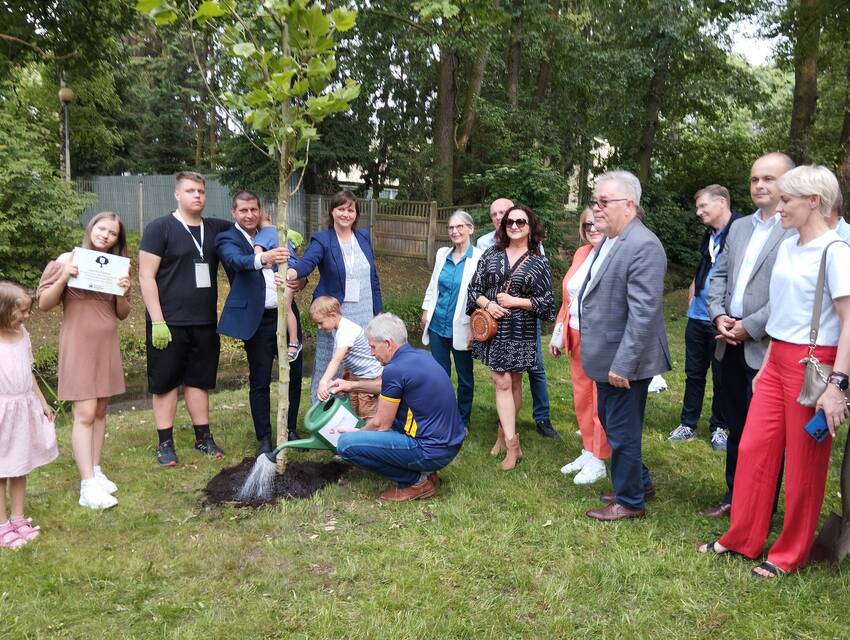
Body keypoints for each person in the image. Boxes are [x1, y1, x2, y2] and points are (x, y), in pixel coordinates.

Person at [699, 164, 850, 578]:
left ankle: (789, 553)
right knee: (753, 450)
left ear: (813, 201)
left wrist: (837, 386)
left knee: (804, 466)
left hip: (814, 365)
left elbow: (848, 322)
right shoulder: (788, 247)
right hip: (776, 357)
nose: (778, 206)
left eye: (786, 199)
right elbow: (781, 313)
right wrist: (766, 365)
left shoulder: (836, 252)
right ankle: (742, 538)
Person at [705, 152, 794, 517]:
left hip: (766, 345)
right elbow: (719, 275)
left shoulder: (794, 230)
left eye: (768, 178)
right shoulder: (740, 226)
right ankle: (734, 496)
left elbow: (792, 295)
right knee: (735, 423)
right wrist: (718, 316)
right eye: (755, 178)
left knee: (765, 434)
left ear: (788, 183)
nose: (759, 185)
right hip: (728, 339)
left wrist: (751, 326)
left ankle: (760, 505)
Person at [579, 170, 671, 521]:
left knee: (622, 430)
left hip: (624, 362)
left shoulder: (643, 245)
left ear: (629, 205)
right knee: (615, 422)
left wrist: (624, 364)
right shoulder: (612, 240)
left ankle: (630, 501)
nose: (596, 208)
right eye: (595, 201)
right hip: (608, 357)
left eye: (604, 201)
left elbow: (644, 313)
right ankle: (638, 482)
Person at [138, 171, 236, 467]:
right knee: (166, 384)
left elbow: (249, 227)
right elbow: (146, 276)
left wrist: (275, 233)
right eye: (191, 191)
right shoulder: (160, 228)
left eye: (201, 191)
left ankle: (203, 437)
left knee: (198, 381)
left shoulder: (217, 229)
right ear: (177, 194)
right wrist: (157, 320)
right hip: (168, 322)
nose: (197, 196)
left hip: (204, 321)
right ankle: (165, 443)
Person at [37, 212, 131, 509]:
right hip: (79, 342)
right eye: (102, 229)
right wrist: (64, 276)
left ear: (117, 239)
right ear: (91, 228)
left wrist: (123, 292)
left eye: (112, 233)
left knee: (101, 410)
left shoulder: (117, 266)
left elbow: (123, 313)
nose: (105, 235)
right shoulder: (67, 259)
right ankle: (87, 486)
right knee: (85, 413)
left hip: (106, 343)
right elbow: (44, 304)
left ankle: (96, 469)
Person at [330, 313, 466, 501]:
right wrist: (351, 386)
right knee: (395, 417)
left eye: (373, 347)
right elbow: (387, 386)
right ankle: (428, 473)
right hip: (449, 445)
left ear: (388, 343)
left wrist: (358, 433)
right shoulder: (421, 356)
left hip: (429, 450)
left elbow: (381, 424)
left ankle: (416, 481)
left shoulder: (394, 369)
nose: (371, 353)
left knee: (346, 445)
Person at [467, 204, 555, 471]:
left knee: (514, 382)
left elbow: (547, 304)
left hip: (521, 331)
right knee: (502, 381)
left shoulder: (538, 262)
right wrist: (489, 304)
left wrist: (516, 301)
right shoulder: (491, 254)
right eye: (510, 222)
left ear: (530, 227)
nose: (514, 226)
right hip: (495, 329)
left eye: (520, 222)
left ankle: (502, 434)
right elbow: (474, 289)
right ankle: (512, 443)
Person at [215, 191, 300, 454]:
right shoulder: (228, 238)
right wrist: (264, 258)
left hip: (286, 313)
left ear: (260, 210)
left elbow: (295, 262)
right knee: (260, 380)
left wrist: (298, 278)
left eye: (254, 209)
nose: (250, 215)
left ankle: (291, 429)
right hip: (257, 319)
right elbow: (236, 262)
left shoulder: (275, 232)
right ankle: (264, 438)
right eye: (243, 210)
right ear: (233, 212)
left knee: (294, 374)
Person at [287, 191, 383, 402]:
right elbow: (307, 262)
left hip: (365, 314)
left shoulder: (364, 237)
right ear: (332, 211)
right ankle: (321, 410)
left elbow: (373, 277)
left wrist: (379, 312)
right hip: (336, 315)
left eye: (350, 210)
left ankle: (357, 411)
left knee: (362, 366)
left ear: (356, 214)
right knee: (330, 365)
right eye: (341, 209)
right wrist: (291, 272)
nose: (346, 214)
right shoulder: (323, 240)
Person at [668, 186, 739, 450]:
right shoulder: (709, 234)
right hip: (697, 316)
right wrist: (693, 290)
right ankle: (688, 423)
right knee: (694, 373)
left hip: (723, 319)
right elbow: (706, 265)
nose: (698, 212)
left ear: (721, 202)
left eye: (702, 206)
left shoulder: (740, 231)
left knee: (723, 376)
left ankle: (719, 426)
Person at [549, 207, 611, 485]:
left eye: (597, 223)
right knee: (582, 397)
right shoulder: (582, 253)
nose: (592, 228)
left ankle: (600, 457)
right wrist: (558, 332)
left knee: (599, 400)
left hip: (600, 338)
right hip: (576, 334)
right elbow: (568, 298)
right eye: (587, 225)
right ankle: (588, 448)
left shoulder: (613, 254)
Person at [0, 282, 57, 548]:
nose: (26, 315)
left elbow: (28, 371)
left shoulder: (22, 334)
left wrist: (42, 402)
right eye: (21, 311)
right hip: (2, 411)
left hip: (22, 409)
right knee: (1, 469)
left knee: (20, 465)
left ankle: (18, 517)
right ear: (3, 310)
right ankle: (2, 525)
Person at [421, 210, 483, 427]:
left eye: (459, 227)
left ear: (470, 229)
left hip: (463, 327)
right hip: (438, 325)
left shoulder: (479, 258)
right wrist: (426, 309)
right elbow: (433, 285)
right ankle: (441, 416)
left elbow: (481, 296)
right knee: (439, 375)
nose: (455, 231)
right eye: (451, 227)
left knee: (465, 378)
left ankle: (462, 420)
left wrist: (475, 327)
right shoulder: (442, 254)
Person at [310, 296, 383, 420]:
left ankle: (372, 431)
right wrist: (346, 374)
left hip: (370, 376)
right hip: (356, 374)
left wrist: (323, 382)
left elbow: (336, 360)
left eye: (320, 323)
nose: (319, 327)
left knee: (367, 411)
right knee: (354, 408)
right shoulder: (338, 329)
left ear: (333, 315)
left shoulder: (346, 330)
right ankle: (358, 430)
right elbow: (347, 356)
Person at [253, 209, 302, 362]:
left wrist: (270, 265)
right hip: (295, 271)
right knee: (288, 307)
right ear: (270, 217)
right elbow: (297, 248)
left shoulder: (260, 236)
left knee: (286, 308)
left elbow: (259, 258)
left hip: (284, 273)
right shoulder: (283, 231)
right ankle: (293, 340)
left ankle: (293, 341)